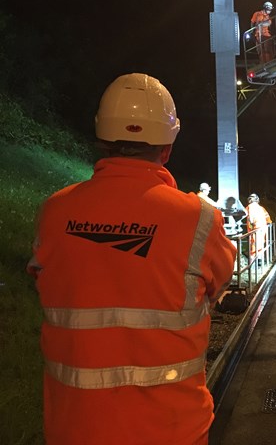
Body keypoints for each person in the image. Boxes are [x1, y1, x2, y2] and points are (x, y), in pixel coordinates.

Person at [26, 73, 237, 445]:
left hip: (74, 430)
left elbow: (43, 282)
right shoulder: (198, 218)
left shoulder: (54, 212)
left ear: (102, 140)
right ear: (167, 147)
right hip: (172, 430)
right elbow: (218, 282)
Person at [246, 193, 272, 265]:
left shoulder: (249, 207)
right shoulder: (261, 208)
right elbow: (268, 218)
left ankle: (252, 262)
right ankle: (260, 259)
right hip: (263, 228)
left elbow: (248, 217)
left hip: (255, 228)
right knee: (260, 243)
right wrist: (269, 222)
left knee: (254, 244)